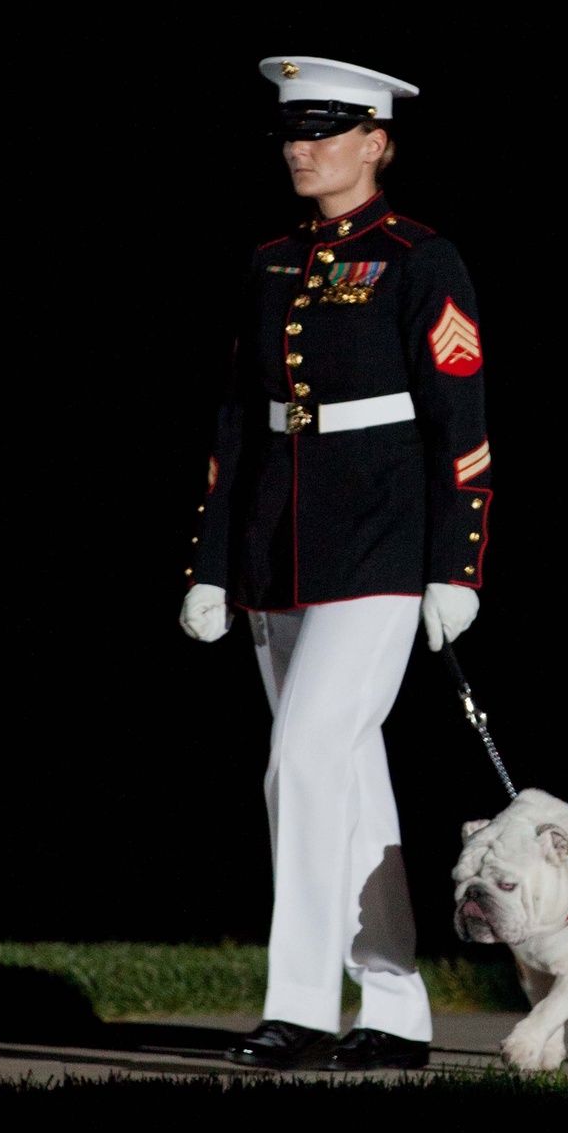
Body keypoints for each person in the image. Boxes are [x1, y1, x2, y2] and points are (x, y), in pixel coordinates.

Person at [178, 55, 492, 1071]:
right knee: (347, 776)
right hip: (280, 544)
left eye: (323, 129)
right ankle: (396, 1010)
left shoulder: (418, 258)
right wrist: (213, 563)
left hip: (380, 545)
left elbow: (462, 423)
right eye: (289, 131)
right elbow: (239, 422)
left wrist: (459, 564)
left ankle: (301, 1004)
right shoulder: (269, 259)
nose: (300, 147)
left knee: (302, 761)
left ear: (377, 141)